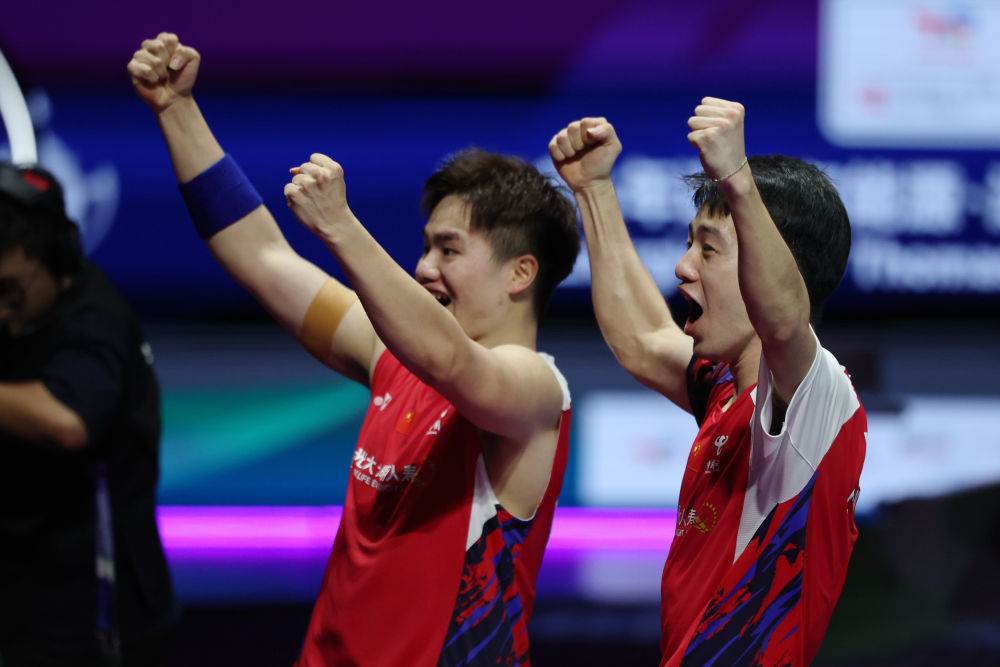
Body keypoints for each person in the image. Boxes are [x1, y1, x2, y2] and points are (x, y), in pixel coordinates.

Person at [128, 32, 580, 666]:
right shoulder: (388, 352)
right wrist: (176, 110)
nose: (424, 268)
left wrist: (341, 227)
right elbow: (260, 256)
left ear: (520, 273)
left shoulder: (535, 392)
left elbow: (451, 361)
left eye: (449, 250)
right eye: (426, 246)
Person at [549, 100, 866, 666]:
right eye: (689, 244)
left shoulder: (819, 403)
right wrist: (593, 189)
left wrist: (737, 177)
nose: (683, 267)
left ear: (772, 264)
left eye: (709, 248)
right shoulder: (726, 390)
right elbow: (644, 338)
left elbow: (785, 322)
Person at [0, 163, 178, 666]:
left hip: (96, 614)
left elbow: (67, 422)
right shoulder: (19, 315)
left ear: (56, 258)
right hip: (21, 593)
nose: (0, 312)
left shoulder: (97, 320)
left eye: (11, 292)